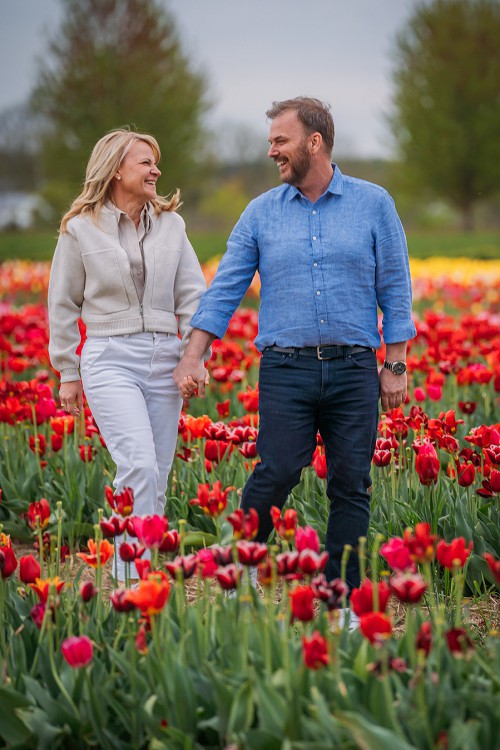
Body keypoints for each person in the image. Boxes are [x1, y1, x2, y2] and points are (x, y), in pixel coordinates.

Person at [173, 97, 416, 618]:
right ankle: (241, 568)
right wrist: (194, 354)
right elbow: (225, 290)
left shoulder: (374, 203)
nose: (271, 152)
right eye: (271, 143)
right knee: (278, 469)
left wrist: (394, 365)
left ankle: (340, 600)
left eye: (280, 142)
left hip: (354, 368)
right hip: (286, 368)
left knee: (351, 484)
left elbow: (395, 287)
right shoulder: (260, 212)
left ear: (314, 142)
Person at [48, 128, 208, 585]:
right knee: (137, 461)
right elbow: (62, 303)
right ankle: (126, 577)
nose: (156, 170)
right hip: (110, 356)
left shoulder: (172, 226)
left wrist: (194, 356)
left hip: (166, 357)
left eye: (156, 162)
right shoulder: (80, 229)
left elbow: (193, 297)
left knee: (156, 472)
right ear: (117, 168)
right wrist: (67, 370)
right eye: (145, 162)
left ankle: (144, 574)